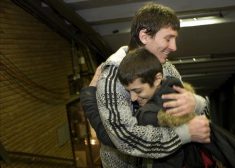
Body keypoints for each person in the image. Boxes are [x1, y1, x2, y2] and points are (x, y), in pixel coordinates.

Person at [80, 2, 211, 168]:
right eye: (168, 38)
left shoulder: (167, 69)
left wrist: (195, 102)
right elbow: (125, 137)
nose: (174, 47)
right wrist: (183, 134)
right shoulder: (114, 75)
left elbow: (198, 116)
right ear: (144, 36)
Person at [117, 47, 213, 168]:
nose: (133, 98)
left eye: (138, 90)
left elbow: (120, 140)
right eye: (129, 91)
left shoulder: (148, 115)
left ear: (157, 79)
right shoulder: (181, 95)